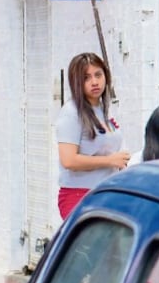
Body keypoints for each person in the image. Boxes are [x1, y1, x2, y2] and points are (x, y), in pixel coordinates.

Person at [55, 52, 129, 219]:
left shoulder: (102, 110)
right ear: (76, 82)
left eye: (98, 75)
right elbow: (69, 160)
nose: (94, 82)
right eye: (86, 78)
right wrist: (110, 160)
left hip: (107, 193)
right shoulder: (71, 113)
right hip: (79, 196)